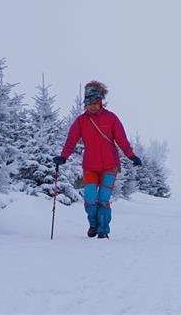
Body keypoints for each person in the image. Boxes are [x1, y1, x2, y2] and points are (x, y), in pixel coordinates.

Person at [53, 80, 142, 239]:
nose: (92, 106)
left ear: (101, 102)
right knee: (89, 198)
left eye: (95, 102)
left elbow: (122, 140)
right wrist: (63, 157)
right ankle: (93, 224)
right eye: (89, 103)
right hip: (90, 166)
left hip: (110, 166)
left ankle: (103, 230)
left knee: (103, 199)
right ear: (85, 103)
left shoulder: (111, 118)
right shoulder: (81, 121)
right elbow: (71, 141)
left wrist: (132, 156)